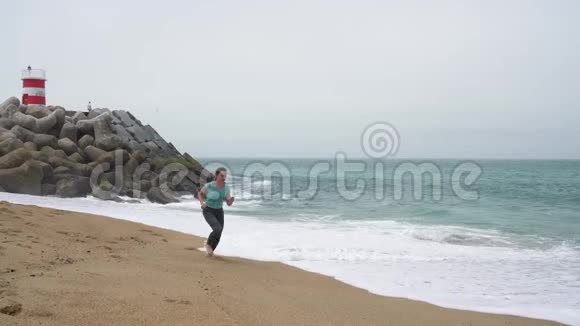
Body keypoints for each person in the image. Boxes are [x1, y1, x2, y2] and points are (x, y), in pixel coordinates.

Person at [197, 167, 234, 256]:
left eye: (225, 176)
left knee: (219, 232)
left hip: (219, 211)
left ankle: (210, 252)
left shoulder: (226, 188)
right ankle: (208, 244)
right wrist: (202, 203)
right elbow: (200, 193)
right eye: (221, 175)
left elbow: (228, 203)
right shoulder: (209, 186)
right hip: (208, 210)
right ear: (217, 175)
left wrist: (231, 200)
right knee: (217, 229)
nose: (223, 178)